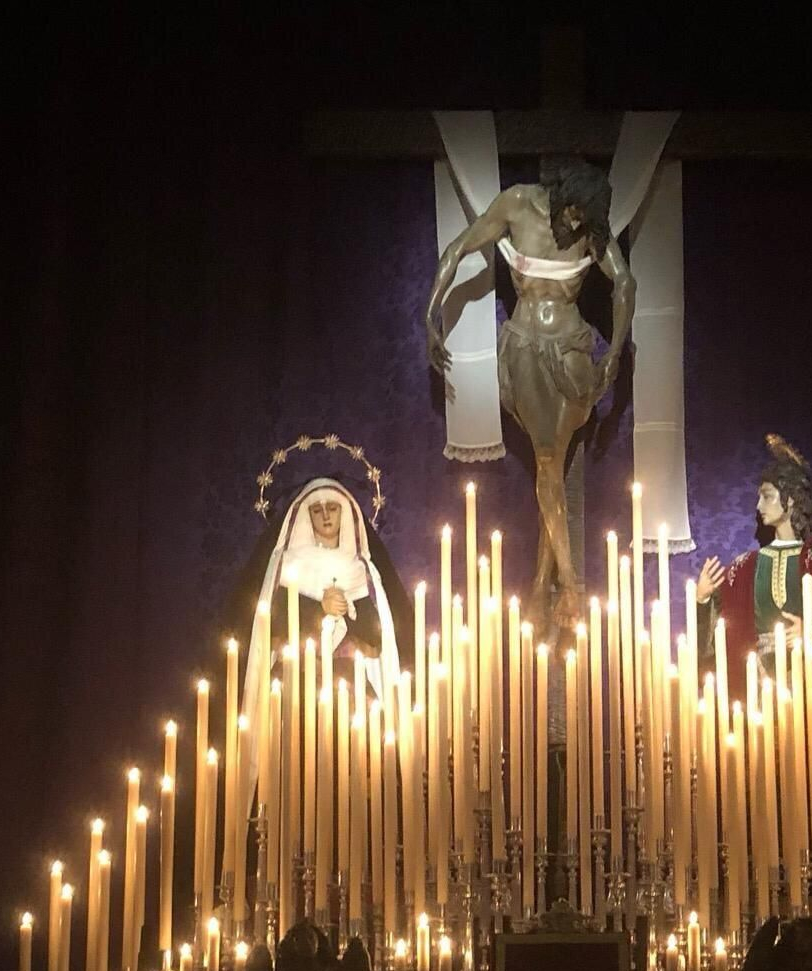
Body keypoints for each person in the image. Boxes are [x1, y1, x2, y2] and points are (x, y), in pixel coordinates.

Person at [425, 157, 636, 637]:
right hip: (522, 347)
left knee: (550, 460)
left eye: (586, 216)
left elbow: (624, 282)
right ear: (560, 198)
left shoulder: (591, 227)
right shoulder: (518, 204)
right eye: (574, 212)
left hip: (571, 352)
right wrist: (430, 315)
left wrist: (617, 350)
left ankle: (559, 584)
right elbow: (459, 248)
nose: (577, 223)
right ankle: (557, 584)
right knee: (549, 461)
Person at [694, 435, 812, 677]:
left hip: (808, 676)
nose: (758, 506)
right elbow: (721, 629)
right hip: (758, 681)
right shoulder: (745, 567)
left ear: (790, 499)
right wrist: (704, 599)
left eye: (767, 496)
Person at [238, 475, 413, 713]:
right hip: (296, 681)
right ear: (306, 516)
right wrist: (319, 610)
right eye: (317, 510)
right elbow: (273, 626)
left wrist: (347, 609)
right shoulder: (289, 565)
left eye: (332, 508)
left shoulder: (360, 569)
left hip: (347, 685)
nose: (326, 516)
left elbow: (375, 638)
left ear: (345, 514)